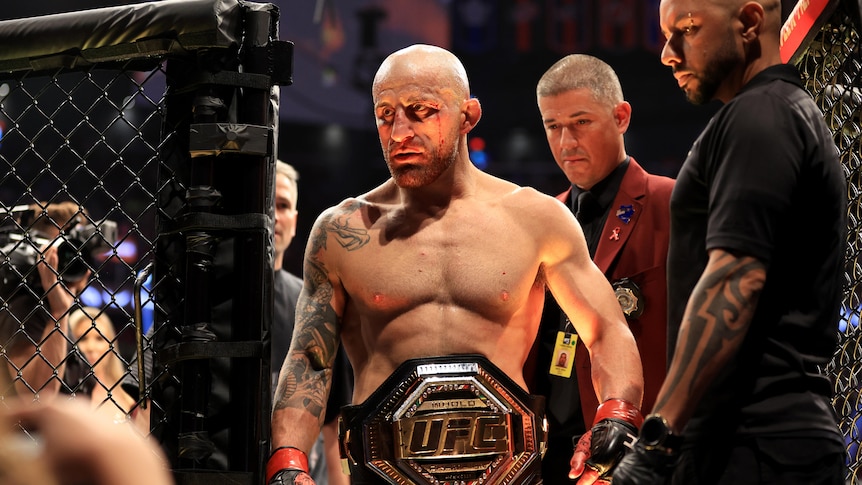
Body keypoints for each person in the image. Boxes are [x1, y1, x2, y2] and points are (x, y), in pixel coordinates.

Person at [268, 43, 644, 485]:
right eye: (385, 114)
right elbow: (311, 359)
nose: (399, 131)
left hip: (509, 472)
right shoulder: (342, 231)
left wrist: (617, 414)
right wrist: (288, 459)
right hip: (381, 473)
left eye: (420, 110)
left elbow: (606, 330)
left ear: (469, 115)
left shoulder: (536, 219)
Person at [613, 0, 847, 483]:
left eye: (687, 30)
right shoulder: (773, 114)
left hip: (757, 444)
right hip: (758, 441)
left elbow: (735, 278)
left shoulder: (761, 116)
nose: (668, 54)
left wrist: (660, 437)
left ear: (750, 22)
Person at [529, 54, 675, 482]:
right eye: (552, 126)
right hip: (548, 452)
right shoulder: (542, 219)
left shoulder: (673, 204)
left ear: (621, 116)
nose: (565, 142)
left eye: (580, 122)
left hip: (637, 444)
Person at [270, 160, 351, 485]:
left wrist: (342, 480)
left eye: (283, 205)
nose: (275, 216)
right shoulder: (207, 297)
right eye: (267, 204)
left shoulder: (318, 302)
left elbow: (335, 421)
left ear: (294, 221)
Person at [0, 201, 92, 399]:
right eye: (61, 252)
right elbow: (38, 396)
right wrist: (60, 312)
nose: (70, 260)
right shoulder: (25, 307)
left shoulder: (49, 307)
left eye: (76, 250)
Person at [68, 306, 150, 434]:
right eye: (82, 338)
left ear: (111, 346)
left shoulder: (129, 398)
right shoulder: (61, 396)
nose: (91, 347)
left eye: (99, 338)